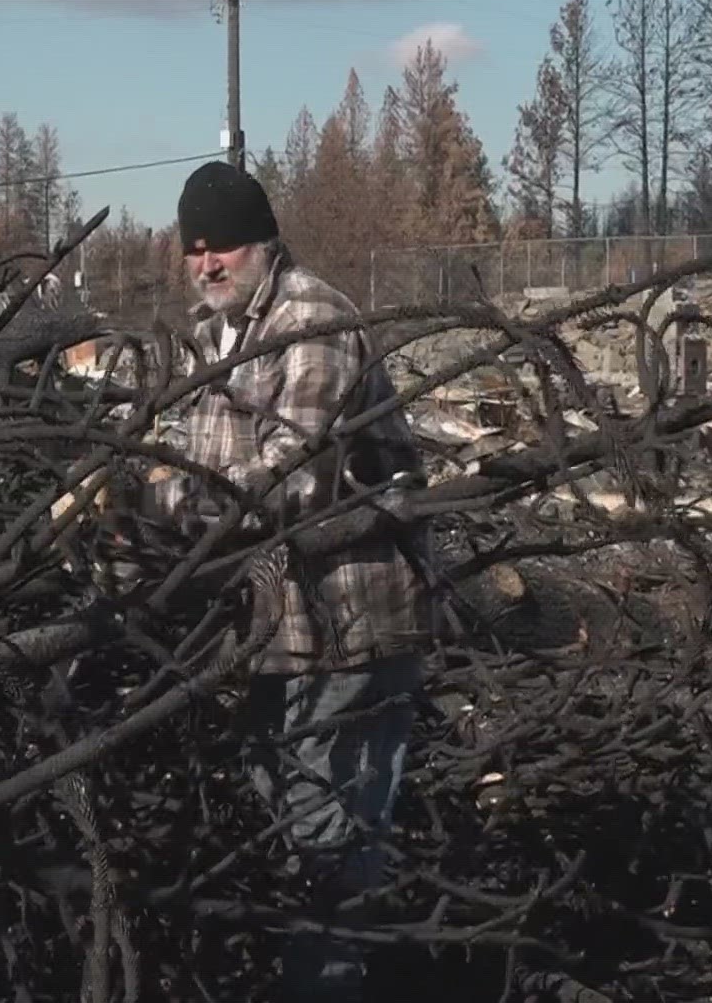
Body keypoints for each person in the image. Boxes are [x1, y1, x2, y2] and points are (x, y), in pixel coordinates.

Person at [145, 160, 437, 1000]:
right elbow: (184, 471)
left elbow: (285, 480)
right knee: (279, 804)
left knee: (327, 826)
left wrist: (158, 499)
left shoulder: (312, 318)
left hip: (350, 617)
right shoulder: (210, 338)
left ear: (264, 243)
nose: (207, 264)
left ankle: (330, 987)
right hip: (276, 622)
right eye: (193, 248)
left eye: (224, 246)